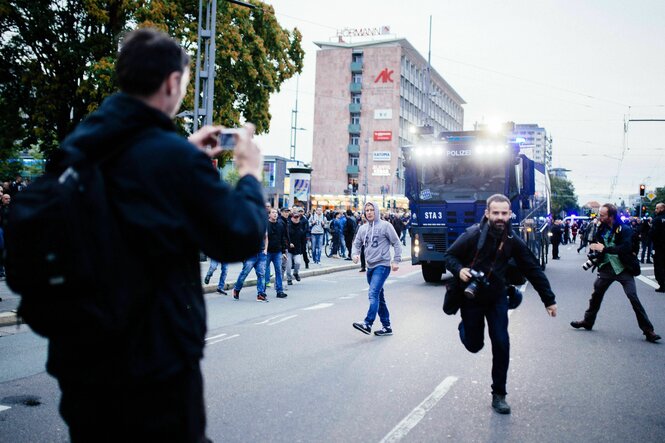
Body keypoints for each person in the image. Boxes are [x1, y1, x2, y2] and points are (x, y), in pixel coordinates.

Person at [46, 28, 266, 441]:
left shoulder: (81, 145)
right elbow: (241, 235)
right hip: (152, 368)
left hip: (82, 364)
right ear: (171, 82)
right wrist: (250, 173)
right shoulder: (170, 160)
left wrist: (183, 148)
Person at [444, 194, 557, 415]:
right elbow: (449, 256)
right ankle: (464, 328)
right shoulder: (472, 235)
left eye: (504, 213)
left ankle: (499, 395)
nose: (500, 217)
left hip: (497, 299)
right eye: (495, 213)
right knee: (475, 345)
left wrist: (549, 300)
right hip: (472, 299)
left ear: (509, 214)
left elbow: (532, 269)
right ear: (487, 213)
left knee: (502, 344)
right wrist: (460, 270)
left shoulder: (513, 240)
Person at [570, 203, 661, 342]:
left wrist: (605, 249)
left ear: (611, 216)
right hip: (606, 267)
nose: (599, 217)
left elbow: (625, 247)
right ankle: (588, 321)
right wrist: (594, 249)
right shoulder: (601, 228)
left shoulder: (624, 229)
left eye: (602, 215)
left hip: (623, 268)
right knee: (596, 295)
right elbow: (598, 244)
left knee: (633, 298)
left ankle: (648, 330)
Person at [351, 201, 401, 337]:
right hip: (370, 266)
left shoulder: (386, 226)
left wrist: (396, 260)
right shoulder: (362, 229)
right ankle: (387, 326)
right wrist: (354, 254)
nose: (369, 212)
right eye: (366, 210)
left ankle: (368, 323)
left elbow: (396, 242)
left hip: (382, 265)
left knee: (373, 293)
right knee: (380, 297)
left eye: (371, 210)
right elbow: (356, 244)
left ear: (376, 211)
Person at [266, 208, 288, 298]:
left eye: (276, 213)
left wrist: (283, 251)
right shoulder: (265, 224)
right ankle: (261, 291)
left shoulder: (280, 225)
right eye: (273, 212)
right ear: (269, 215)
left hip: (277, 252)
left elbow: (283, 238)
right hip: (267, 252)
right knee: (263, 272)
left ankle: (279, 291)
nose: (275, 214)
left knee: (278, 271)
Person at [285, 208, 306, 285]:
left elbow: (303, 237)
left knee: (298, 263)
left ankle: (295, 273)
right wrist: (289, 243)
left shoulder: (301, 225)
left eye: (298, 217)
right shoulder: (288, 225)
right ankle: (289, 279)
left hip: (297, 248)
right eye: (295, 217)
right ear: (292, 218)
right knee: (288, 265)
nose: (296, 219)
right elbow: (285, 237)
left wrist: (303, 247)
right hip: (289, 249)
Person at [649, 202, 665, 292]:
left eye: (657, 208)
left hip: (659, 247)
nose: (655, 210)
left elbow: (652, 234)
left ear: (662, 209)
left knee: (659, 266)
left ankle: (662, 285)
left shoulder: (656, 220)